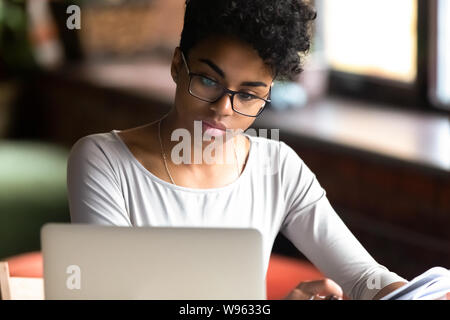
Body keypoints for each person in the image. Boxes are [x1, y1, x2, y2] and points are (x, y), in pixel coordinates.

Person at [67, 0, 408, 300]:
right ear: (176, 66)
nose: (223, 109)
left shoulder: (277, 167)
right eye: (209, 81)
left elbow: (365, 277)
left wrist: (407, 292)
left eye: (247, 94)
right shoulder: (104, 162)